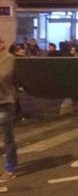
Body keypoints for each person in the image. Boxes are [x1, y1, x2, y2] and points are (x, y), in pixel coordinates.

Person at [0, 38, 17, 182]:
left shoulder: (8, 58)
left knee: (7, 138)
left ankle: (10, 169)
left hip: (5, 103)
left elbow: (2, 76)